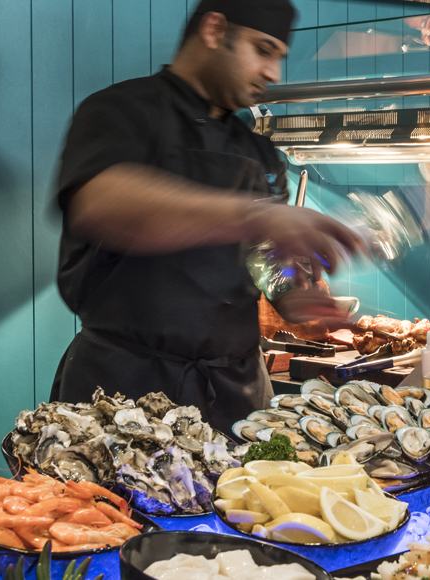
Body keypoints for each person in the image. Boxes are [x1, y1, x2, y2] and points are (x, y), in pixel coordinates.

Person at [51, 0, 364, 430]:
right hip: (122, 392)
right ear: (215, 30)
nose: (273, 73)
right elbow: (103, 205)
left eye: (278, 58)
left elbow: (263, 260)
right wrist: (257, 215)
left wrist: (292, 297)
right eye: (263, 50)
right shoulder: (120, 110)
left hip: (237, 396)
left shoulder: (258, 151)